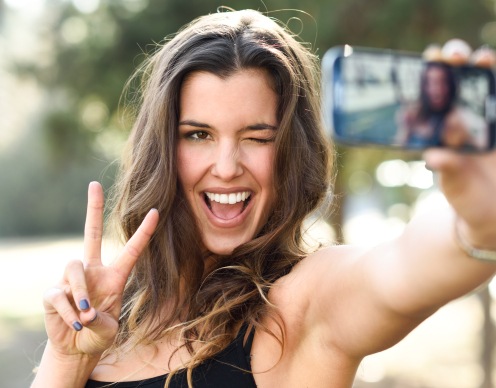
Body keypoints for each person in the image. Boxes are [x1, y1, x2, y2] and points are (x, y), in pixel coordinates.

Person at [31, 9, 496, 388]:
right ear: (162, 150)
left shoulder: (301, 304)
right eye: (198, 135)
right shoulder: (111, 315)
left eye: (258, 137)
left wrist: (478, 218)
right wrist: (67, 357)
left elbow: (401, 272)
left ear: (291, 151)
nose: (228, 165)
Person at [396, 60, 488, 150]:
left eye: (443, 82)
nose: (437, 90)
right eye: (432, 83)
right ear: (424, 86)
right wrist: (405, 128)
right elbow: (399, 145)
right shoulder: (414, 114)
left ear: (451, 86)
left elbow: (482, 142)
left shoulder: (460, 119)